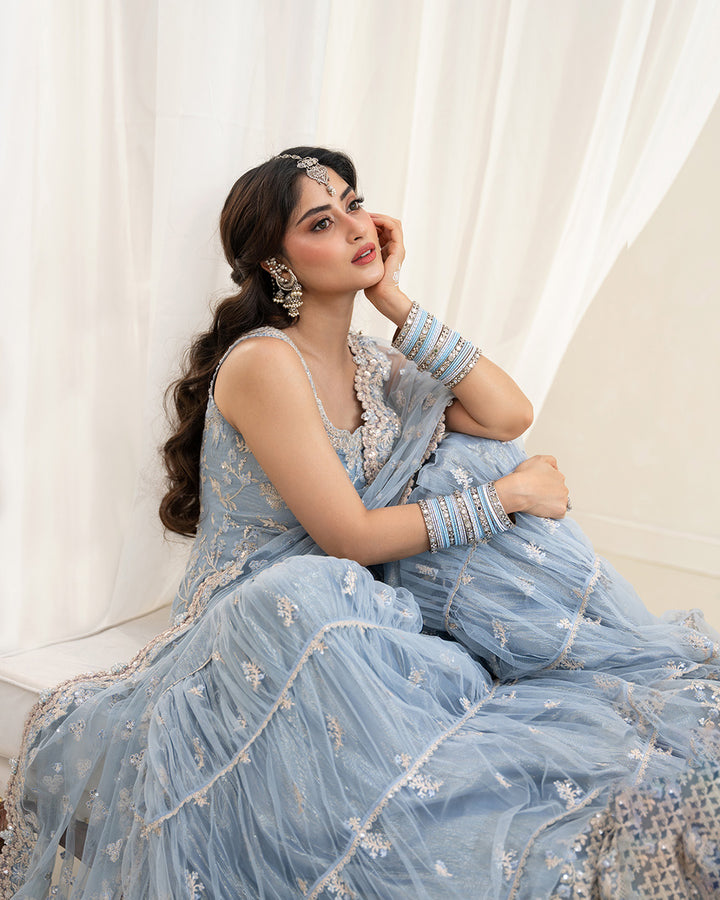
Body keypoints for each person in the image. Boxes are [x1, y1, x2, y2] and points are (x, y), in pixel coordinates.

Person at [1, 147, 719, 899]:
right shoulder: (263, 362)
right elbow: (346, 537)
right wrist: (507, 498)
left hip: (357, 593)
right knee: (363, 559)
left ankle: (576, 663)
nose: (354, 227)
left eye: (353, 204)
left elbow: (508, 415)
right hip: (273, 608)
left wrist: (395, 299)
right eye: (320, 222)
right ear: (276, 263)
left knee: (473, 458)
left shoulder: (374, 364)